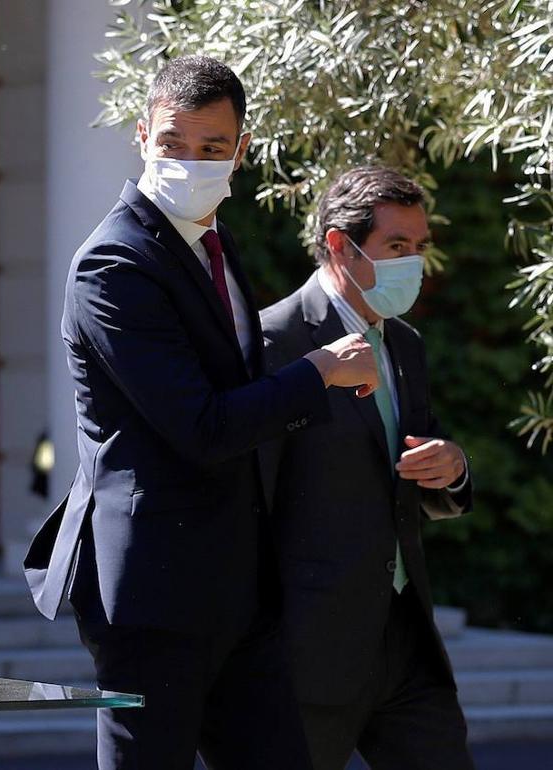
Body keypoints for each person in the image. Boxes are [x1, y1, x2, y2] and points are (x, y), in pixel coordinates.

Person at [23, 55, 381, 770]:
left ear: (241, 150)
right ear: (142, 136)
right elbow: (201, 426)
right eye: (172, 143)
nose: (190, 163)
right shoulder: (113, 265)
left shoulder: (213, 244)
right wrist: (320, 371)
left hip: (237, 584)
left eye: (212, 147)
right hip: (154, 592)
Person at [259, 166, 474, 770]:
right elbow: (248, 500)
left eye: (420, 246)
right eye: (396, 245)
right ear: (339, 245)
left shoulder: (405, 344)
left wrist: (452, 466)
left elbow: (414, 461)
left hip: (406, 641)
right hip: (306, 652)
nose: (413, 262)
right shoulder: (274, 342)